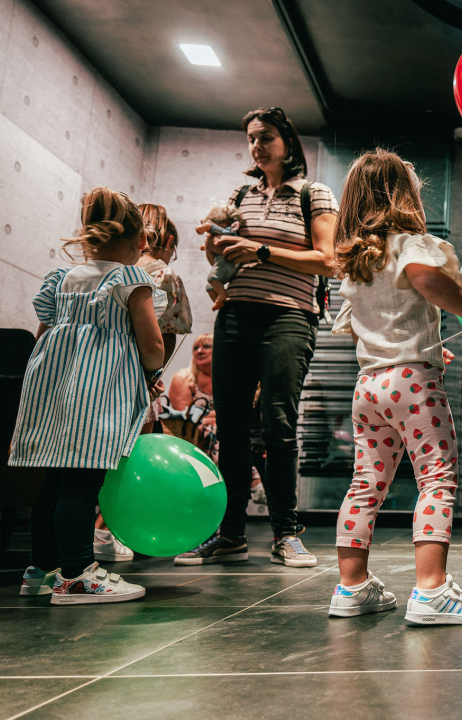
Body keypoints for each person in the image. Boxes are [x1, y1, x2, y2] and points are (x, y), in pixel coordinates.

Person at [327, 148, 462, 624]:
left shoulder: (359, 261)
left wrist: (424, 343)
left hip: (369, 387)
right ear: (402, 195)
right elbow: (426, 281)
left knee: (365, 484)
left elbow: (367, 327)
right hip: (413, 386)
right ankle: (431, 591)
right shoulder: (409, 244)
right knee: (436, 477)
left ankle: (352, 587)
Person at [176, 107, 337, 568]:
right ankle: (229, 534)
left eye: (265, 137)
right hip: (235, 316)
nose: (256, 146)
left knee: (278, 423)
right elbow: (218, 259)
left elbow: (327, 261)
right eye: (250, 138)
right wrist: (214, 241)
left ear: (288, 141)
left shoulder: (314, 193)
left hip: (289, 316)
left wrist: (260, 249)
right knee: (231, 428)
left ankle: (287, 533)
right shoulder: (240, 194)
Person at [13, 188, 166, 604]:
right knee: (82, 486)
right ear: (141, 242)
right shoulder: (130, 279)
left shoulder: (60, 280)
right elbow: (152, 345)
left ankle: (40, 571)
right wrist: (151, 371)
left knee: (52, 485)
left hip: (50, 395)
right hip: (95, 398)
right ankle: (78, 574)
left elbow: (42, 338)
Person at [93, 203, 193, 564]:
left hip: (90, 379)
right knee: (131, 454)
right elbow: (162, 339)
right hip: (130, 380)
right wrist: (151, 377)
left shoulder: (87, 273)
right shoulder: (160, 275)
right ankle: (107, 530)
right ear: (163, 240)